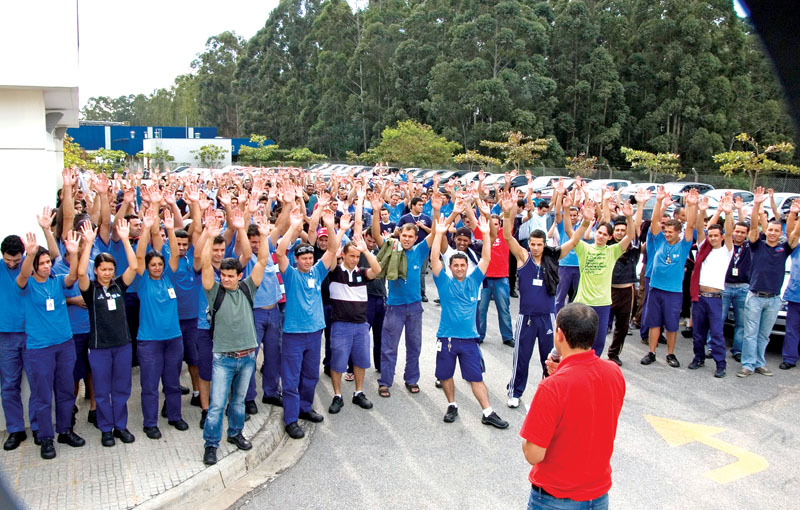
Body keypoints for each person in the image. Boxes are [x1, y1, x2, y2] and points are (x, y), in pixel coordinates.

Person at [520, 303, 625, 510]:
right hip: (598, 494)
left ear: (559, 334)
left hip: (555, 497)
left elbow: (534, 455)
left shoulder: (552, 388)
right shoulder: (614, 373)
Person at [500, 191, 591, 409]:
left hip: (548, 318)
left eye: (539, 244)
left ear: (544, 244)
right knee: (521, 357)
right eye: (532, 244)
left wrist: (586, 221)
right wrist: (505, 214)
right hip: (527, 318)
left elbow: (575, 240)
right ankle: (515, 391)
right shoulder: (523, 258)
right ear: (529, 243)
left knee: (549, 359)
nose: (536, 248)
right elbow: (507, 237)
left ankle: (549, 392)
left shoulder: (553, 258)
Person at [200, 214, 270, 466]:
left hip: (247, 357)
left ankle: (235, 434)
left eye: (231, 275)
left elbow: (262, 260)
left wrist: (263, 235)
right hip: (223, 359)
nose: (226, 279)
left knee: (238, 402)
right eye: (224, 275)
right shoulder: (214, 291)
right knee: (217, 406)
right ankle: (211, 444)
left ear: (239, 275)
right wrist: (208, 236)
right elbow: (206, 265)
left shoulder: (247, 288)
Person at [429, 214, 508, 428]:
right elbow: (435, 259)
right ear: (451, 268)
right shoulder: (444, 282)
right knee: (445, 375)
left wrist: (485, 234)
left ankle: (487, 412)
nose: (459, 268)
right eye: (455, 265)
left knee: (476, 378)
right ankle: (452, 405)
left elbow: (486, 259)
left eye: (463, 265)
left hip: (470, 340)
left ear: (467, 267)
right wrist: (438, 234)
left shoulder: (474, 281)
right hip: (446, 338)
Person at [17, 231, 84, 460]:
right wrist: (30, 254)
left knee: (66, 391)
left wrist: (73, 254)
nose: (47, 266)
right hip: (39, 348)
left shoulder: (56, 280)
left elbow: (73, 277)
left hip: (64, 344)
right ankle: (46, 437)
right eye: (42, 263)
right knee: (42, 395)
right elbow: (23, 274)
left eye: (48, 262)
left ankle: (65, 430)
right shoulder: (27, 285)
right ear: (34, 266)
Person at [370, 190, 444, 398]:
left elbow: (435, 232)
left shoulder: (420, 251)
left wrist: (436, 211)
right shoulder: (392, 248)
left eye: (411, 236)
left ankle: (411, 379)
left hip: (414, 307)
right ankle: (385, 381)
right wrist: (376, 212)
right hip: (394, 307)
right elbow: (376, 236)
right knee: (389, 347)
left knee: (414, 346)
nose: (408, 239)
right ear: (399, 235)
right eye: (405, 236)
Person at [276, 206, 339, 439]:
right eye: (303, 258)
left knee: (311, 375)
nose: (307, 261)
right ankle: (291, 419)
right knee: (291, 379)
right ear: (297, 259)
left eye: (310, 257)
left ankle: (305, 408)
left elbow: (333, 249)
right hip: (294, 334)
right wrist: (294, 226)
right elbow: (280, 252)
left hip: (314, 333)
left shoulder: (317, 273)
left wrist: (330, 226)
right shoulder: (291, 274)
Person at [77, 220, 138, 446]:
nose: (107, 273)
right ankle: (106, 428)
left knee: (121, 389)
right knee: (102, 391)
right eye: (103, 269)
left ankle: (120, 426)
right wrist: (88, 244)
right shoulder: (90, 290)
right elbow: (80, 272)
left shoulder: (119, 286)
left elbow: (133, 267)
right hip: (99, 347)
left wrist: (124, 239)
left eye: (110, 269)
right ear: (96, 270)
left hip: (122, 345)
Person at [135, 208, 187, 438]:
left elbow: (174, 255)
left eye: (159, 264)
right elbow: (137, 258)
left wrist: (169, 229)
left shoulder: (169, 276)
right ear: (147, 267)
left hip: (173, 339)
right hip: (149, 342)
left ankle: (175, 416)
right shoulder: (143, 281)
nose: (157, 267)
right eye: (153, 265)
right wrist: (146, 228)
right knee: (149, 386)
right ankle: (150, 423)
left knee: (173, 382)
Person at [738, 188, 800, 377]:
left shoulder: (784, 248)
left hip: (773, 299)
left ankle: (759, 362)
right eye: (770, 230)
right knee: (750, 333)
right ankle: (748, 365)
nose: (772, 233)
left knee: (764, 335)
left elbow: (795, 235)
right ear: (767, 231)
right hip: (755, 297)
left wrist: (795, 213)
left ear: (779, 232)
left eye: (776, 230)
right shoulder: (757, 246)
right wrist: (757, 204)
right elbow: (754, 227)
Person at [563, 196, 635, 357]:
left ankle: (591, 369)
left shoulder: (612, 251)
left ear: (610, 237)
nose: (600, 236)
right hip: (582, 302)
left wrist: (629, 217)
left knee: (598, 341)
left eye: (604, 234)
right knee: (576, 340)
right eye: (599, 232)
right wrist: (567, 209)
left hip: (602, 304)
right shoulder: (584, 248)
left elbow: (630, 236)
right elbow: (569, 231)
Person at [641, 188, 698, 367]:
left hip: (673, 292)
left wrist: (691, 205)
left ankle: (670, 354)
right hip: (656, 288)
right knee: (654, 323)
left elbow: (690, 225)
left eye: (671, 232)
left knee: (672, 325)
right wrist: (659, 202)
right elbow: (655, 222)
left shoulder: (683, 246)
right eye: (666, 231)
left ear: (678, 233)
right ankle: (651, 352)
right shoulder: (658, 240)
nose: (667, 234)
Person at [327, 235, 382, 414]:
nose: (355, 259)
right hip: (340, 325)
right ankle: (337, 395)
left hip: (360, 325)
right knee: (337, 363)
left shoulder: (362, 273)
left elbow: (377, 269)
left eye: (357, 257)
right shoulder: (335, 271)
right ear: (343, 255)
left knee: (360, 361)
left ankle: (358, 393)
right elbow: (331, 263)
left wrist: (365, 250)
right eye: (352, 256)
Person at [687, 196, 734, 378]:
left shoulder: (726, 251)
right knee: (698, 332)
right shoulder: (703, 248)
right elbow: (700, 228)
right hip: (699, 297)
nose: (713, 238)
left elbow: (730, 232)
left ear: (721, 237)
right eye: (711, 235)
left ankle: (720, 363)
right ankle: (698, 358)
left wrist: (727, 213)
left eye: (716, 235)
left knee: (716, 333)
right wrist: (705, 211)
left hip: (715, 299)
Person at [0, 234, 35, 451]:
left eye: (16, 259)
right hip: (5, 335)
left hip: (32, 332)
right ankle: (15, 429)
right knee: (9, 385)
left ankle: (40, 427)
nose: (12, 264)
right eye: (8, 260)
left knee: (37, 382)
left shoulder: (30, 265)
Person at [721, 219, 751, 362]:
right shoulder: (726, 245)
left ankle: (737, 350)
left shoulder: (750, 246)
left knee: (741, 322)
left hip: (743, 287)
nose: (739, 234)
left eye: (742, 232)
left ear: (747, 234)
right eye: (737, 231)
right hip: (725, 285)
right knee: (718, 319)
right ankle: (712, 346)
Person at [396, 197, 433, 302]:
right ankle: (404, 291)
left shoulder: (426, 218)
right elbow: (398, 230)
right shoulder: (405, 218)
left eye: (422, 205)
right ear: (412, 206)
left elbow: (432, 232)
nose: (421, 207)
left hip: (422, 250)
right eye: (419, 205)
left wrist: (423, 227)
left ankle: (422, 292)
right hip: (407, 249)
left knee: (421, 272)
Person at [781, 199, 800, 370]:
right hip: (796, 295)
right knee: (792, 330)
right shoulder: (796, 247)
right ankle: (790, 358)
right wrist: (794, 214)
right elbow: (790, 234)